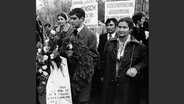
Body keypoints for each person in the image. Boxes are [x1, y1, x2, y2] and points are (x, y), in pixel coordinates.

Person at [100, 17, 148, 104]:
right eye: (119, 27)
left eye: (124, 27)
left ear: (130, 29)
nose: (121, 30)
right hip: (110, 83)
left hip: (127, 85)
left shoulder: (138, 46)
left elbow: (145, 62)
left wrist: (136, 68)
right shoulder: (110, 43)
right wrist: (102, 77)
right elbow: (103, 61)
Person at [68, 8, 98, 104]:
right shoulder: (71, 33)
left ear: (82, 19)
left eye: (74, 18)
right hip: (72, 73)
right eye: (70, 19)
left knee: (82, 100)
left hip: (84, 76)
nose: (71, 21)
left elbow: (94, 56)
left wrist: (78, 55)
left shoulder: (91, 35)